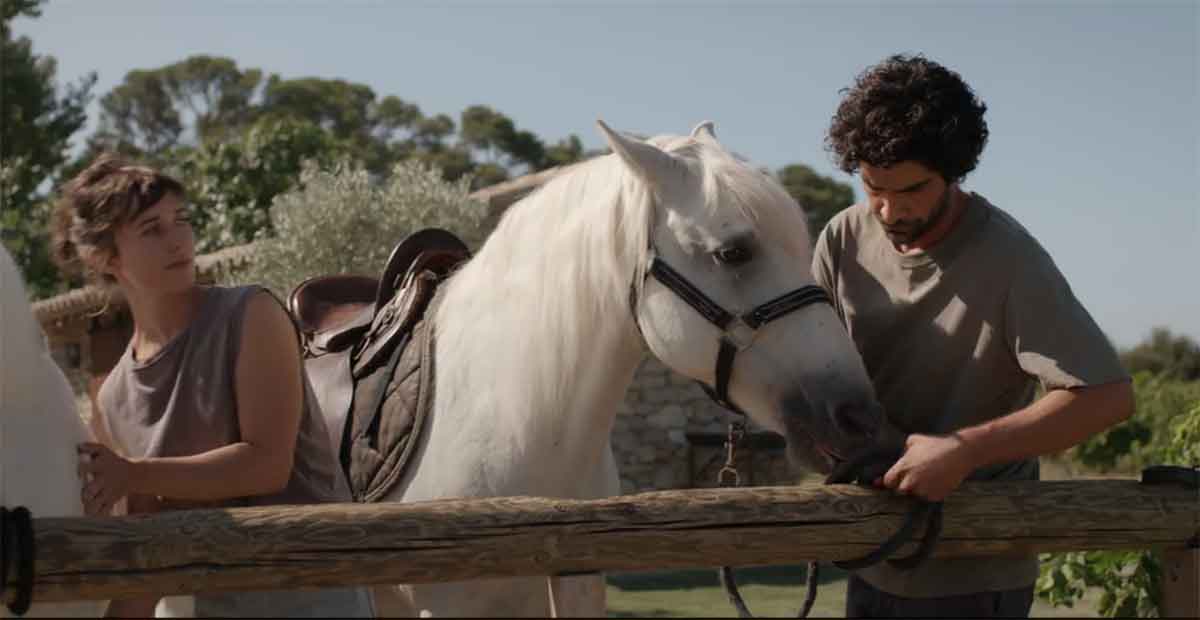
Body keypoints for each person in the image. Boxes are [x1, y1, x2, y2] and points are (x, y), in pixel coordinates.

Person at [813, 54, 1134, 618]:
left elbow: (1105, 396)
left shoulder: (1009, 258)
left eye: (910, 190)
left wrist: (964, 452)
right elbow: (815, 373)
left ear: (954, 171)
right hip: (872, 549)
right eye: (871, 188)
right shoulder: (842, 237)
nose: (887, 209)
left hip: (976, 566)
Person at [55, 154, 375, 618]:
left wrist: (135, 472)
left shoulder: (250, 315)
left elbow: (265, 465)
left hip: (313, 598)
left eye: (181, 220)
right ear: (105, 258)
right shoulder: (113, 398)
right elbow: (149, 540)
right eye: (152, 229)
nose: (178, 240)